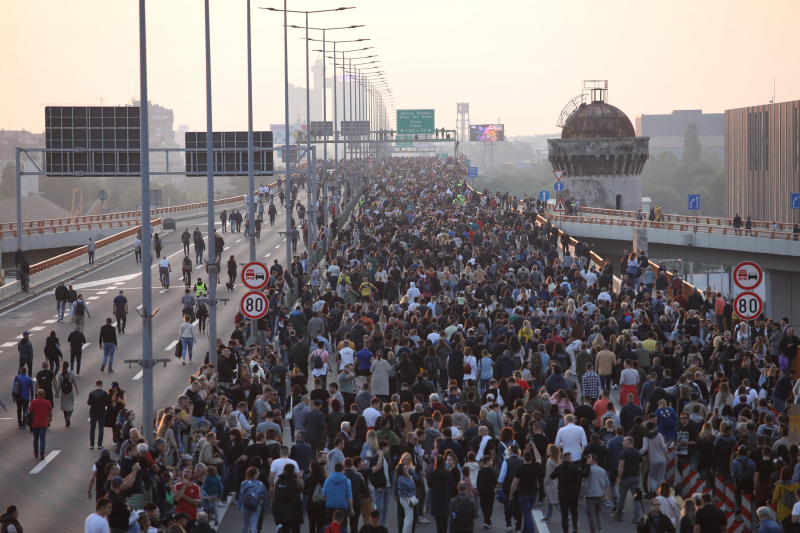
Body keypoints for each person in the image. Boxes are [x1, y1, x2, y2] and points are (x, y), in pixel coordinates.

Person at [27, 389, 53, 460]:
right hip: (43, 424)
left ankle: (36, 452)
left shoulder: (33, 402)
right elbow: (50, 412)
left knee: (35, 439)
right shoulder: (47, 402)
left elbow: (29, 411)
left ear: (37, 395)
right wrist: (50, 418)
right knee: (42, 439)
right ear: (44, 394)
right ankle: (42, 454)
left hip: (35, 424)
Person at [54, 361, 79, 427]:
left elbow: (59, 385)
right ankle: (69, 416)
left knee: (64, 407)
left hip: (63, 392)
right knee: (70, 406)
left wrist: (57, 393)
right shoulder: (71, 374)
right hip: (70, 392)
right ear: (68, 366)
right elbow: (75, 382)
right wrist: (77, 389)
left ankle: (66, 420)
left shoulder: (60, 375)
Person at [87, 380, 109, 449]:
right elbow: (108, 403)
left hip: (93, 413)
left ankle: (91, 444)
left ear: (95, 385)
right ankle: (99, 444)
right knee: (101, 428)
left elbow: (89, 403)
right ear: (102, 385)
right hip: (102, 413)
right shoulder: (105, 394)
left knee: (92, 429)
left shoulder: (91, 393)